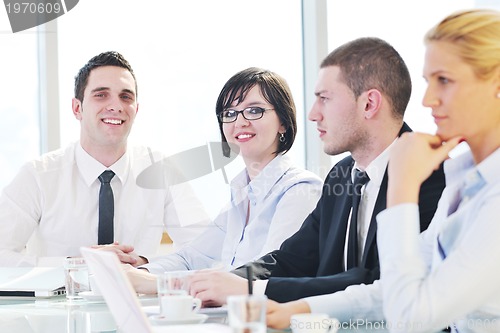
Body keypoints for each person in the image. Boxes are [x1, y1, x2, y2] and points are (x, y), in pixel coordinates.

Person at [266, 9, 500, 332]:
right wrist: (299, 309)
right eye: (428, 82)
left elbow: (412, 318)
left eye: (444, 80)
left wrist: (402, 185)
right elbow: (391, 290)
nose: (429, 99)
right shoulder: (465, 184)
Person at [183, 37, 447, 307]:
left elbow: (379, 284)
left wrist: (250, 290)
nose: (312, 114)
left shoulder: (432, 177)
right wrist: (229, 283)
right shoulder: (342, 175)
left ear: (369, 104)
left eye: (324, 99)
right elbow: (293, 258)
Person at [0, 51, 210, 267]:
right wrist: (78, 264)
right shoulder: (38, 175)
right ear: (77, 108)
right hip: (61, 299)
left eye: (126, 97)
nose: (116, 106)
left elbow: (206, 250)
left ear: (135, 110)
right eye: (101, 95)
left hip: (138, 298)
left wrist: (145, 264)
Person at [125, 67, 323, 294]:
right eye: (229, 113)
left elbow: (270, 275)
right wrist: (139, 274)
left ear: (284, 123)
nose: (239, 122)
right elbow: (192, 257)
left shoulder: (301, 189)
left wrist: (155, 283)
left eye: (254, 110)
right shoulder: (241, 193)